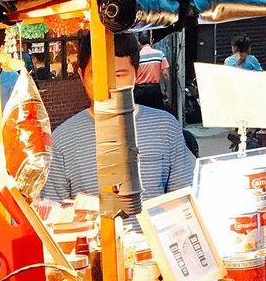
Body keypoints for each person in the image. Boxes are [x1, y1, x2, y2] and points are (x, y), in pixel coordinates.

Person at [42, 32, 195, 203]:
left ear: (136, 74)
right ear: (81, 76)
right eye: (97, 76)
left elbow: (182, 201)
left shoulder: (165, 127)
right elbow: (53, 211)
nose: (108, 86)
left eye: (119, 75)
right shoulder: (62, 140)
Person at [134, 35, 171, 110]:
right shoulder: (160, 54)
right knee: (157, 113)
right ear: (151, 41)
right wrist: (167, 91)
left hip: (139, 91)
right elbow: (166, 74)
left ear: (139, 43)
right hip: (154, 90)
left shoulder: (136, 57)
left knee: (141, 115)